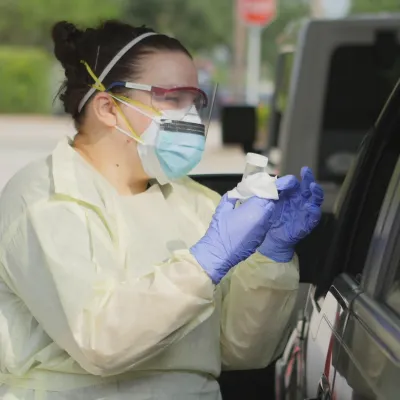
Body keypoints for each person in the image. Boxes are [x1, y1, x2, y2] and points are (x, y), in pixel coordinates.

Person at [0, 20, 324, 400]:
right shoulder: (45, 197)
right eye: (172, 98)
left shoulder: (195, 202)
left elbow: (242, 351)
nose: (191, 115)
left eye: (196, 101)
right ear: (108, 107)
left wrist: (271, 258)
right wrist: (204, 264)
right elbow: (101, 342)